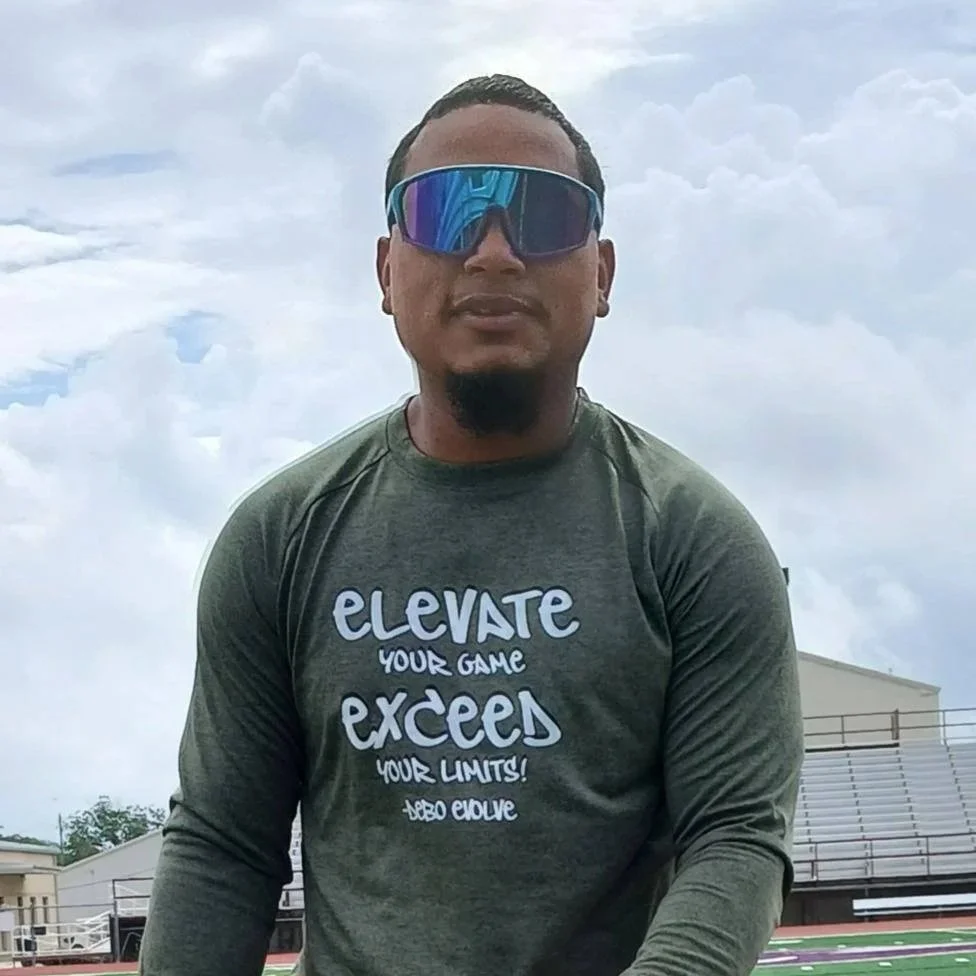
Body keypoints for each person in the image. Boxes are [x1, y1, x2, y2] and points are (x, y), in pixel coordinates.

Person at [139, 74, 804, 976]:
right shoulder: (277, 538)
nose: (493, 252)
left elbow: (734, 839)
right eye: (447, 212)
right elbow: (222, 846)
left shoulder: (696, 541)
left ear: (601, 274)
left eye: (544, 215)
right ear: (387, 270)